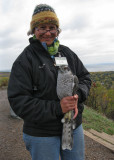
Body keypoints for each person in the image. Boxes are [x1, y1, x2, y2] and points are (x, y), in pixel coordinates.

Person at [8, 4, 91, 160]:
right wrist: (57, 107)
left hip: (72, 126)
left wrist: (78, 95)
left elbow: (85, 77)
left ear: (57, 30)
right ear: (34, 30)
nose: (48, 32)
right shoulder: (24, 60)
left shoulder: (67, 53)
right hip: (42, 133)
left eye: (52, 27)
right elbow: (18, 101)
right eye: (42, 27)